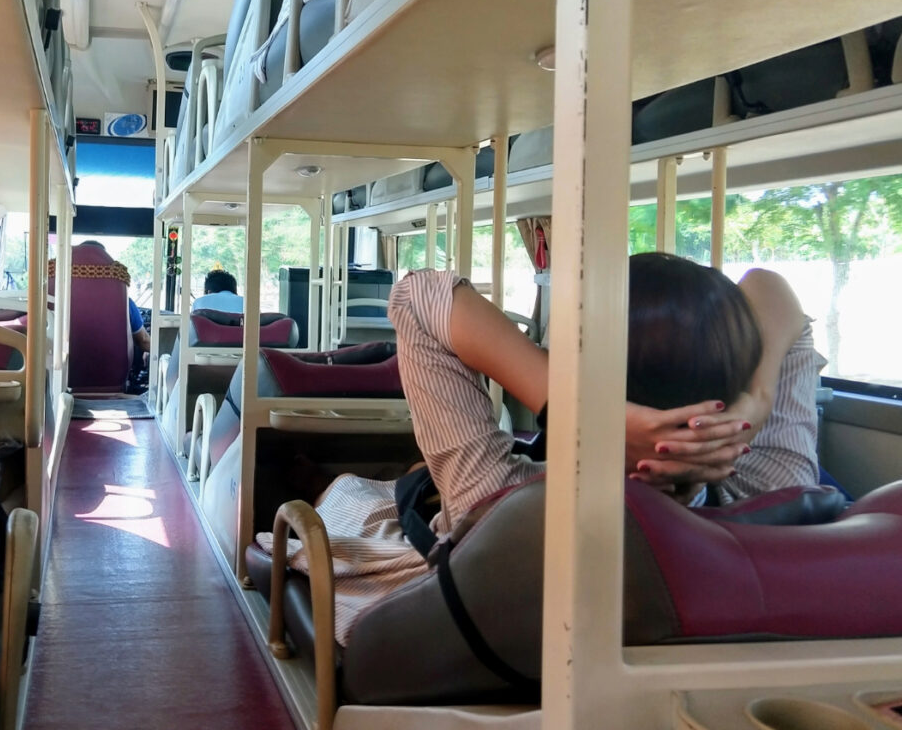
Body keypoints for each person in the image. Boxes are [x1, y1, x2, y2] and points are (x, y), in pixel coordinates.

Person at [258, 254, 824, 644]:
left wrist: (582, 414)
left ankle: (319, 482)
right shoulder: (773, 491)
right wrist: (755, 398)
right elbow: (771, 289)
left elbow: (415, 297)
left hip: (448, 567)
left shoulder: (501, 502)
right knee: (417, 482)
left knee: (362, 502)